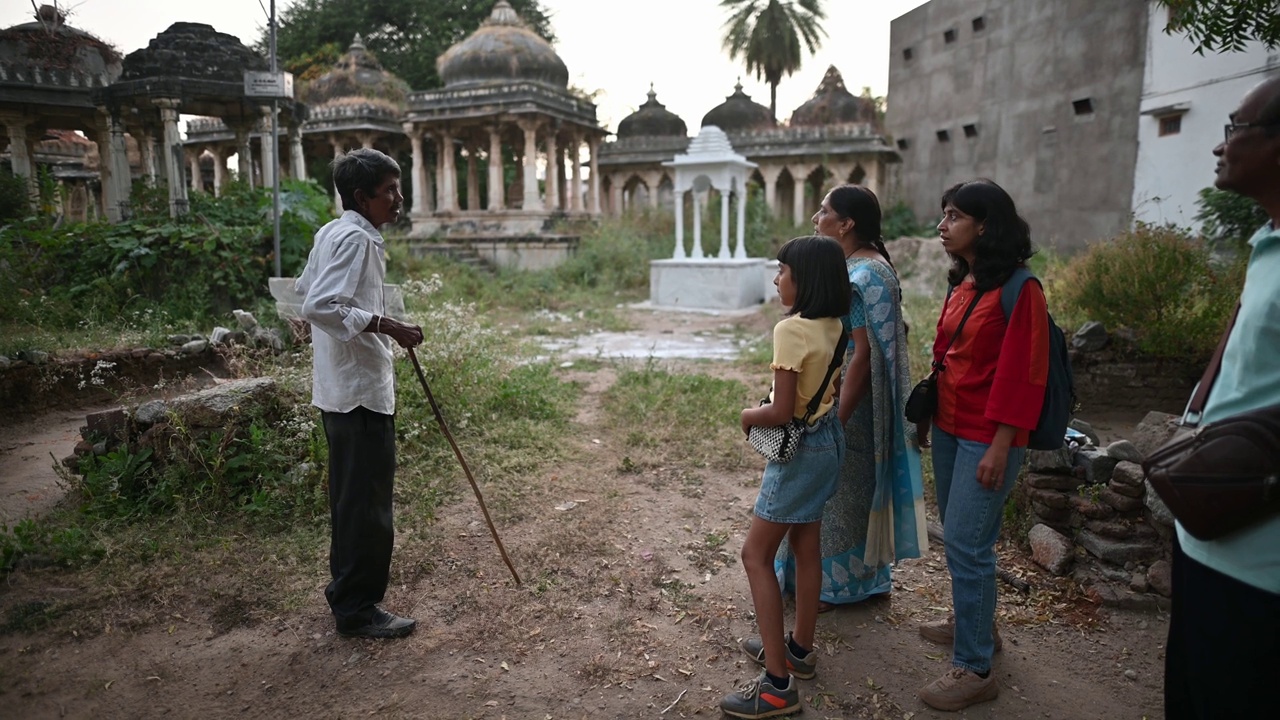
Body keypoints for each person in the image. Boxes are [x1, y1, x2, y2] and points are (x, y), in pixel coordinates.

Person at [1163, 75, 1280, 719]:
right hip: (1207, 529)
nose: (1220, 144)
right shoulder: (1267, 246)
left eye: (1235, 129)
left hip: (1263, 564)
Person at [915, 179, 1049, 711]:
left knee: (970, 547)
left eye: (953, 216)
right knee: (961, 540)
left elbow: (1025, 374)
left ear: (985, 224)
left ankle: (974, 667)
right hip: (950, 428)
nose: (943, 226)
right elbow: (949, 357)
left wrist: (1000, 446)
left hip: (986, 437)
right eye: (944, 215)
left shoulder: (1022, 288)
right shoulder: (966, 281)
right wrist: (929, 416)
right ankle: (976, 627)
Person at [774, 185, 928, 610]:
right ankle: (833, 582)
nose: (815, 218)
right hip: (842, 398)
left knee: (837, 494)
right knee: (840, 492)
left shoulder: (863, 273)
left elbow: (861, 356)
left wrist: (836, 421)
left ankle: (831, 587)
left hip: (850, 405)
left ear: (846, 224)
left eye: (823, 211)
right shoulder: (863, 266)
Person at [722, 236, 852, 719]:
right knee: (806, 544)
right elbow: (827, 391)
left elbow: (779, 411)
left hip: (799, 454)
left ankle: (777, 686)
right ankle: (799, 649)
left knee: (754, 554)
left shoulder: (791, 330)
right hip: (828, 441)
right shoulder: (835, 325)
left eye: (783, 270)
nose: (777, 279)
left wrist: (745, 415)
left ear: (806, 279)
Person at [296, 148, 424, 639]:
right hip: (358, 393)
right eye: (388, 191)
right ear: (360, 197)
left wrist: (368, 320)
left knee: (354, 501)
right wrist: (387, 324)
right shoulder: (354, 239)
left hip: (342, 389)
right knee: (367, 504)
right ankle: (357, 608)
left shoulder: (335, 231)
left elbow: (305, 291)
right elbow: (319, 304)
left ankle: (349, 597)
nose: (398, 198)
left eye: (397, 187)